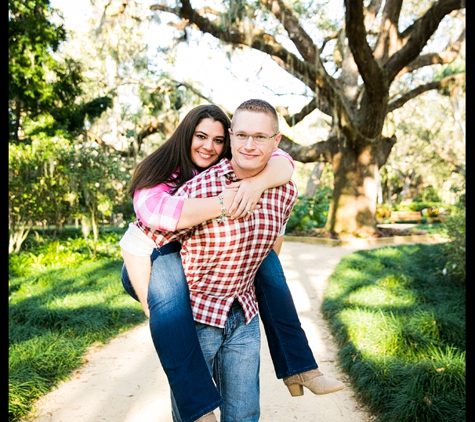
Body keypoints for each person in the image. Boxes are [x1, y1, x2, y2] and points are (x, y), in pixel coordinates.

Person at [123, 100, 344, 422]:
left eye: (217, 140)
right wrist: (149, 303)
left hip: (237, 302)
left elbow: (282, 162)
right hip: (155, 259)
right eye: (200, 137)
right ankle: (198, 410)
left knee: (268, 266)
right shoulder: (169, 177)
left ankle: (300, 369)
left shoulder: (266, 173)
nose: (209, 147)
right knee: (169, 311)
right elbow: (147, 224)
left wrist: (255, 185)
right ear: (186, 137)